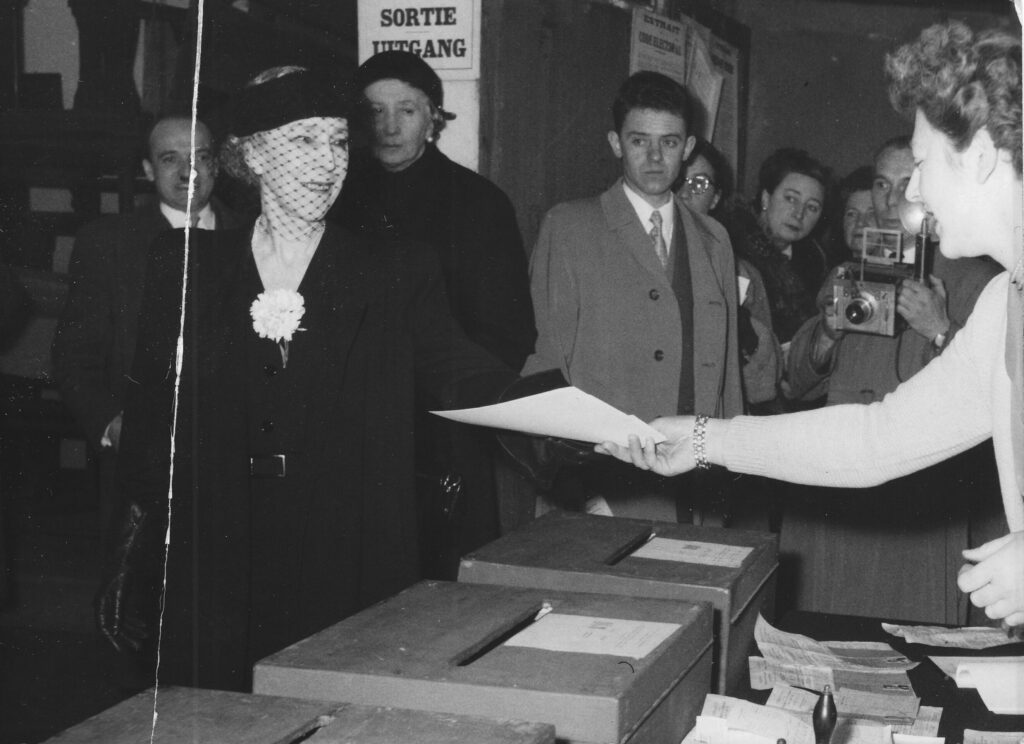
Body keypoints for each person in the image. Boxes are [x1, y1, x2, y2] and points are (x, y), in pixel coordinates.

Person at [97, 67, 514, 691]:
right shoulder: (186, 266)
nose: (328, 162)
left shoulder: (394, 270)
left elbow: (467, 377)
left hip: (346, 554)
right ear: (251, 154)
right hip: (217, 554)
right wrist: (151, 548)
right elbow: (154, 426)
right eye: (304, 142)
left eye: (339, 142)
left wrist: (590, 424)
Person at [598, 21, 1024, 628]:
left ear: (980, 158)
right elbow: (879, 439)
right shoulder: (1004, 304)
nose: (916, 193)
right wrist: (702, 440)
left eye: (924, 165)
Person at [329, 51, 535, 575]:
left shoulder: (479, 203)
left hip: (444, 429)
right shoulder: (334, 197)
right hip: (349, 424)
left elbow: (506, 333)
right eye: (374, 111)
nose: (389, 126)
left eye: (407, 110)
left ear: (434, 119)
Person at [780, 158, 1001, 621]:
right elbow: (796, 383)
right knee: (823, 627)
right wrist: (826, 334)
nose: (892, 198)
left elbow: (1000, 396)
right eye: (882, 184)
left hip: (918, 496)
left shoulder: (976, 280)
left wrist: (941, 328)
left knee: (909, 635)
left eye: (906, 184)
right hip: (836, 482)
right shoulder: (847, 272)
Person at [523, 71, 742, 524]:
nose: (656, 157)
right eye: (640, 141)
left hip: (694, 482)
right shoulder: (570, 228)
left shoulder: (714, 239)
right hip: (601, 486)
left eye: (669, 142)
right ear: (616, 143)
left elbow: (727, 383)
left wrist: (727, 471)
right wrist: (575, 493)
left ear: (689, 147)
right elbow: (546, 368)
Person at [52, 114, 242, 541]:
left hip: (235, 460)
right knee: (142, 596)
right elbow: (73, 356)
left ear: (217, 165)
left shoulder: (255, 236)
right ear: (148, 170)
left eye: (200, 157)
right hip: (141, 461)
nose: (187, 172)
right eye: (170, 159)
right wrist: (113, 426)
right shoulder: (107, 243)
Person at [678, 139, 781, 410]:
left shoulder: (742, 273)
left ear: (715, 198)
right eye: (678, 179)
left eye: (698, 184)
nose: (684, 193)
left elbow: (765, 376)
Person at [723, 148, 832, 349]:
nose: (799, 214)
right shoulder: (729, 249)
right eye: (791, 198)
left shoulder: (815, 265)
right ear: (766, 198)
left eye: (812, 207)